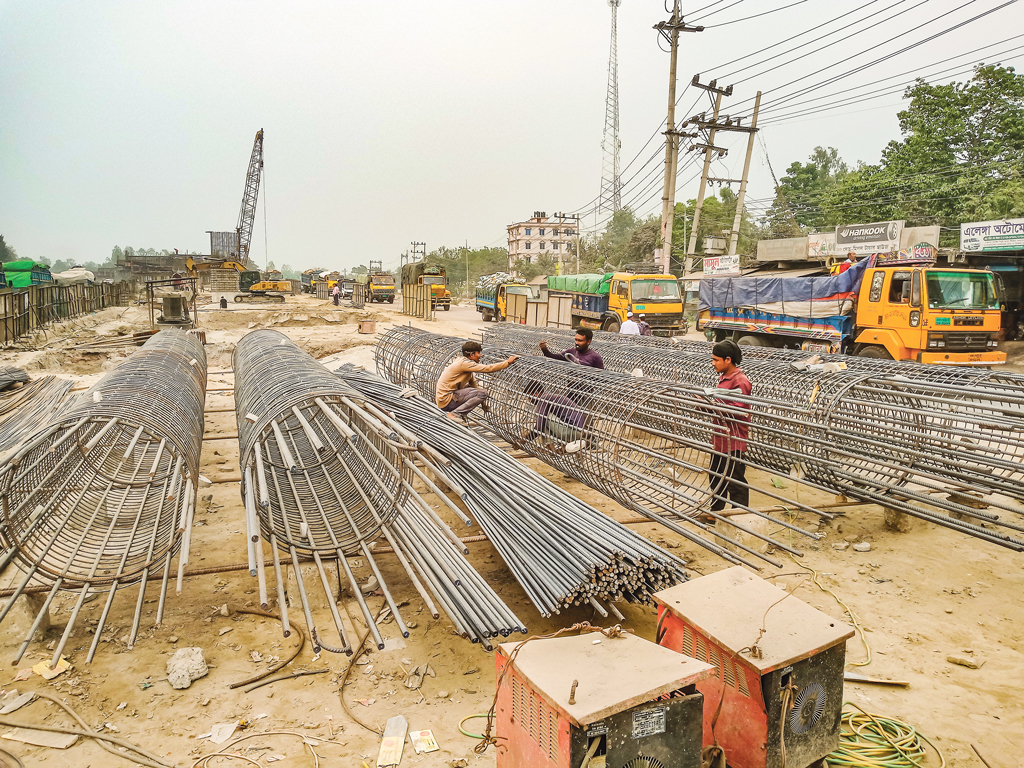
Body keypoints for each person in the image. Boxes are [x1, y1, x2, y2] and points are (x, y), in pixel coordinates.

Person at [705, 339, 752, 519]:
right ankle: (716, 511)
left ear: (728, 360)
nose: (713, 363)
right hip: (720, 439)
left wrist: (711, 404)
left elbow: (737, 410)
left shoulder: (740, 381)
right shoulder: (724, 378)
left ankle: (739, 515)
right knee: (716, 476)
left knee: (735, 480)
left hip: (734, 440)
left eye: (716, 360)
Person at [435, 341, 518, 422]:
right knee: (483, 393)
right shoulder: (464, 364)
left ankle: (458, 414)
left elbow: (474, 385)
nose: (480, 355)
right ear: (471, 354)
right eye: (478, 353)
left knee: (476, 390)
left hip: (444, 400)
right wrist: (507, 362)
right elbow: (487, 368)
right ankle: (455, 414)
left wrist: (483, 404)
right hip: (447, 401)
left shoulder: (463, 363)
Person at [523, 381, 587, 453]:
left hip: (572, 432)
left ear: (536, 393)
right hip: (577, 430)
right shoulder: (550, 397)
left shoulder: (543, 399)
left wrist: (525, 439)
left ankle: (551, 447)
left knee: (542, 417)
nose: (529, 399)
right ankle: (558, 447)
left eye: (529, 396)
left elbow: (539, 427)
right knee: (544, 417)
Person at [538, 328, 604, 369]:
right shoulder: (570, 352)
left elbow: (602, 376)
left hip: (585, 390)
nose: (576, 343)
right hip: (571, 389)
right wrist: (544, 349)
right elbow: (554, 357)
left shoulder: (595, 357)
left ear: (588, 341)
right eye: (576, 340)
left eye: (580, 341)